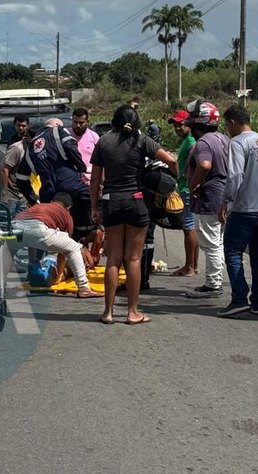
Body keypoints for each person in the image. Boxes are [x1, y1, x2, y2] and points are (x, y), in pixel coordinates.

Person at [90, 104, 177, 325]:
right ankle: (132, 312)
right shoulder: (142, 140)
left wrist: (94, 206)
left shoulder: (103, 141)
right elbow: (172, 160)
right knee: (134, 258)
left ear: (114, 121)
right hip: (137, 201)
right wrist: (174, 181)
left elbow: (95, 178)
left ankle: (108, 312)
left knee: (113, 259)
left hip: (111, 201)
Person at [218, 104, 258, 317]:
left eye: (227, 125)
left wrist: (227, 201)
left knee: (233, 251)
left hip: (245, 207)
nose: (227, 129)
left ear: (233, 122)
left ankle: (239, 298)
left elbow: (235, 175)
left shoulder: (237, 143)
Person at [15, 192, 103, 298]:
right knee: (73, 247)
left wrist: (33, 260)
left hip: (14, 226)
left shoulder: (38, 206)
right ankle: (84, 288)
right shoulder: (66, 215)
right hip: (38, 229)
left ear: (52, 201)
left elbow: (30, 235)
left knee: (19, 245)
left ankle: (0, 280)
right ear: (68, 207)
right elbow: (64, 251)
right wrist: (59, 274)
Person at [183, 101, 229, 299]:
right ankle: (216, 279)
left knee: (210, 243)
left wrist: (192, 184)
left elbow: (204, 165)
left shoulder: (203, 143)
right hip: (223, 197)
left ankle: (213, 283)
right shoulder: (223, 139)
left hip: (210, 198)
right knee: (217, 242)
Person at [27, 118, 92, 239]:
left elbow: (21, 178)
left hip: (48, 193)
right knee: (93, 201)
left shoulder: (30, 148)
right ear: (57, 125)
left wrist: (32, 200)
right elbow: (69, 146)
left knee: (49, 228)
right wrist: (81, 166)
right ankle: (93, 234)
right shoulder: (58, 131)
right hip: (70, 183)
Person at [167, 110, 199, 278]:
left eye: (181, 124)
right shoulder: (187, 140)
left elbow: (194, 161)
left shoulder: (192, 141)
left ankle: (189, 267)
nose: (178, 128)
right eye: (175, 125)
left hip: (187, 189)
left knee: (188, 228)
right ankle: (193, 264)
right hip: (186, 187)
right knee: (191, 227)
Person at [1, 119, 32, 212]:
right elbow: (5, 169)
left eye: (23, 125)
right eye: (18, 125)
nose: (21, 128)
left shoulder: (34, 149)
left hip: (23, 193)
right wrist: (4, 192)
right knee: (8, 220)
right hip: (11, 193)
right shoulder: (17, 148)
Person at [70, 107, 99, 186]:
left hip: (90, 182)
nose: (78, 125)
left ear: (87, 122)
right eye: (75, 122)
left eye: (81, 122)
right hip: (71, 181)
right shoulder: (66, 135)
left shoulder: (94, 137)